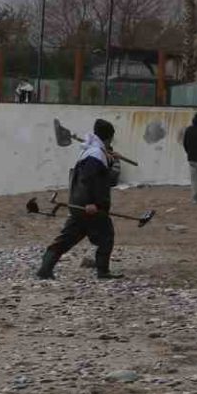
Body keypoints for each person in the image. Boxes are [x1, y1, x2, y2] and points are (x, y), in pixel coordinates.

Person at [36, 118, 120, 280]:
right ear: (109, 138)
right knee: (106, 236)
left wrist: (111, 160)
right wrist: (92, 203)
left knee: (68, 238)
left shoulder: (91, 152)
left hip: (79, 204)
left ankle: (45, 268)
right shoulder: (96, 155)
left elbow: (100, 176)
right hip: (90, 207)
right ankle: (103, 271)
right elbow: (88, 180)